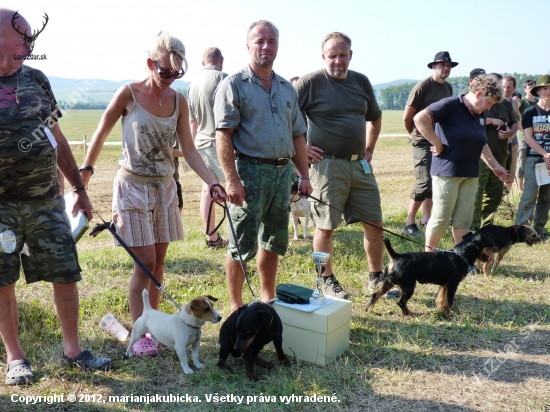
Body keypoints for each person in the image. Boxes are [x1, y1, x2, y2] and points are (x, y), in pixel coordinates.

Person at [81, 33, 225, 350]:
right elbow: (101, 132)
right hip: (132, 187)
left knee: (158, 264)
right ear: (151, 64)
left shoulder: (179, 101)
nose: (171, 79)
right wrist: (85, 174)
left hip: (164, 191)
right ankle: (141, 339)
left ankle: (153, 326)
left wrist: (213, 181)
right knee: (144, 262)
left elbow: (189, 150)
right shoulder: (128, 93)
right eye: (165, 72)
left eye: (177, 74)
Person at [0, 8, 112, 385]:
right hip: (1, 208)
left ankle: (73, 350)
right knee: (2, 279)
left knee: (65, 272)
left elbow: (58, 139)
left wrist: (79, 190)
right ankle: (16, 358)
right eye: (24, 37)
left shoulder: (37, 79)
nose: (31, 44)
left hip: (47, 201)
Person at [214, 20, 311, 312]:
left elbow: (297, 135)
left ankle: (268, 299)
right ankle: (236, 307)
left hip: (283, 174)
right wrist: (231, 180)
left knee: (274, 240)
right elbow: (224, 136)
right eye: (259, 41)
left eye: (271, 41)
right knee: (241, 243)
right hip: (250, 173)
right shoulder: (233, 85)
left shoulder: (286, 88)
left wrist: (303, 175)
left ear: (278, 46)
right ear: (248, 46)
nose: (265, 46)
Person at [295, 32, 384, 297]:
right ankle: (327, 279)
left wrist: (369, 149)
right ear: (324, 57)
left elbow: (375, 118)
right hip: (327, 166)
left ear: (350, 56)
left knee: (375, 222)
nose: (337, 61)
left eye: (342, 55)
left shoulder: (361, 82)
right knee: (325, 226)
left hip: (360, 166)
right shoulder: (309, 83)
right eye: (332, 56)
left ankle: (377, 277)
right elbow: (288, 120)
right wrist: (302, 149)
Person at [413, 73, 508, 251]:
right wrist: (436, 142)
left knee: (463, 220)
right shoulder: (450, 105)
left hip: (470, 175)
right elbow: (420, 119)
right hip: (447, 173)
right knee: (441, 218)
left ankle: (462, 257)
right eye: (489, 103)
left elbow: (481, 143)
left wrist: (494, 165)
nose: (488, 108)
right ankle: (429, 257)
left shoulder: (479, 115)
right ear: (479, 93)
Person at [402, 51, 457, 236]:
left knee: (434, 181)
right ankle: (409, 221)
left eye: (448, 65)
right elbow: (407, 117)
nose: (446, 68)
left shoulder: (448, 88)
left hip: (439, 139)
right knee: (424, 181)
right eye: (442, 65)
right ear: (434, 66)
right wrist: (411, 134)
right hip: (422, 140)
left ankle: (426, 220)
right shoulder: (423, 87)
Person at [188, 47, 228, 249]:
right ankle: (237, 237)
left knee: (208, 189)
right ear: (221, 61)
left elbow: (193, 122)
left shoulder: (192, 84)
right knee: (232, 187)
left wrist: (191, 151)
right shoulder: (224, 78)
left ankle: (212, 237)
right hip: (219, 142)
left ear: (203, 62)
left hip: (200, 143)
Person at [470, 74, 518, 230]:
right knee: (477, 193)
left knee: (495, 194)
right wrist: (492, 121)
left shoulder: (506, 103)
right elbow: (474, 123)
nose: (503, 89)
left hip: (501, 155)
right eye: (500, 86)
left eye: (507, 87)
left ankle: (487, 227)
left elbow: (515, 124)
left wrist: (510, 133)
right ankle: (475, 227)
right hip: (482, 157)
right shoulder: (481, 102)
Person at [515, 75, 550, 238]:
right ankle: (522, 230)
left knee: (546, 196)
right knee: (529, 195)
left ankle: (539, 230)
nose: (548, 91)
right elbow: (528, 138)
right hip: (534, 159)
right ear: (538, 91)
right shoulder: (530, 111)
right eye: (545, 88)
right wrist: (545, 154)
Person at [517, 79, 538, 192]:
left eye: (533, 86)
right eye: (529, 86)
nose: (531, 88)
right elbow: (515, 117)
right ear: (525, 89)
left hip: (537, 138)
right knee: (522, 163)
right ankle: (520, 189)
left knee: (536, 163)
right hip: (523, 138)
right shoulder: (522, 102)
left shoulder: (538, 103)